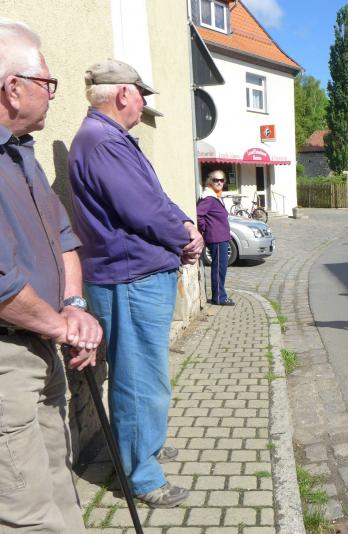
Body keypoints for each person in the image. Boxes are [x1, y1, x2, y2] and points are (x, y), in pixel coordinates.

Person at [68, 59, 205, 508]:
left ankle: (147, 446)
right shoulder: (104, 142)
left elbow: (155, 198)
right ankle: (141, 476)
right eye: (141, 94)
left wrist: (185, 223)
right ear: (123, 94)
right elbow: (143, 210)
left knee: (147, 375)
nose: (144, 104)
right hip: (129, 280)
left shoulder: (110, 139)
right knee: (138, 380)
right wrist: (184, 237)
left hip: (134, 276)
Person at [0, 18, 103, 532]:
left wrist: (75, 306)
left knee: (60, 484)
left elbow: (63, 237)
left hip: (43, 342)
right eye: (47, 82)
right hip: (7, 358)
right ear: (12, 88)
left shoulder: (22, 153)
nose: (53, 93)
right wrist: (63, 326)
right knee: (28, 513)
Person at [197, 170, 234, 306]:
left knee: (221, 268)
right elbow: (199, 215)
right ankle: (219, 297)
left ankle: (220, 295)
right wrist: (206, 229)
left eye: (221, 180)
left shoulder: (216, 197)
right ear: (210, 181)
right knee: (219, 268)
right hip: (216, 238)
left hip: (221, 238)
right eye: (215, 180)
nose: (219, 182)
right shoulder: (209, 198)